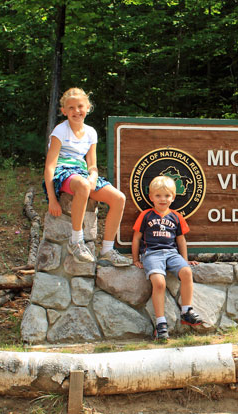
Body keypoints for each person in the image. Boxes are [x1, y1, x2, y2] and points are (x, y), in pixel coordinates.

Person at [43, 87, 131, 266]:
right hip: (64, 172)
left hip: (82, 173)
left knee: (119, 198)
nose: (76, 111)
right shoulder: (60, 131)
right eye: (71, 108)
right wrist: (52, 198)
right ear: (64, 111)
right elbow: (50, 166)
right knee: (83, 185)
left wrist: (93, 176)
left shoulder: (91, 132)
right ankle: (76, 241)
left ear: (88, 107)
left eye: (80, 106)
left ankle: (107, 250)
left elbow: (92, 164)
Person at [132, 175, 204, 340]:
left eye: (166, 195)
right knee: (159, 283)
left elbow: (181, 240)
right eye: (158, 196)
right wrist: (135, 259)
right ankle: (161, 323)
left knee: (186, 272)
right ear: (151, 197)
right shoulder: (146, 215)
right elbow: (136, 237)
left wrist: (184, 260)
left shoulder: (176, 216)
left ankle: (186, 311)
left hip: (172, 253)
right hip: (152, 253)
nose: (162, 199)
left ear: (173, 197)